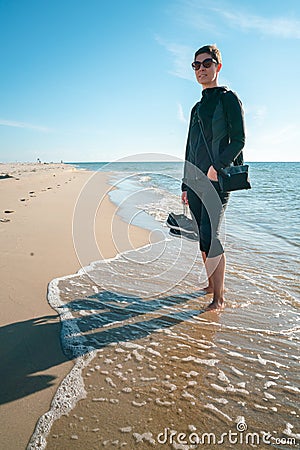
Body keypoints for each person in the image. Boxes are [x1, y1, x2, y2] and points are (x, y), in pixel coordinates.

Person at [181, 44, 245, 311]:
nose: (201, 69)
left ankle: (218, 299)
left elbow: (239, 140)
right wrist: (184, 183)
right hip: (195, 180)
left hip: (217, 180)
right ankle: (210, 284)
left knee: (213, 236)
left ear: (218, 67)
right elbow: (189, 147)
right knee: (202, 238)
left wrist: (216, 167)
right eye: (196, 65)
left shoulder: (228, 99)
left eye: (206, 64)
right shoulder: (196, 108)